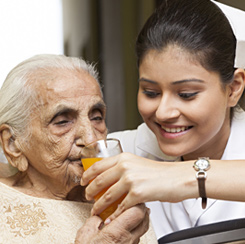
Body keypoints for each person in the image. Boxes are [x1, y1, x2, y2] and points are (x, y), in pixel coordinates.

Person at [80, 0, 245, 241]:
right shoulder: (121, 151)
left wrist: (179, 177)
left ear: (233, 88)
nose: (163, 112)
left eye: (186, 94)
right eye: (150, 92)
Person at [0, 54, 157, 243]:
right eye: (62, 121)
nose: (91, 138)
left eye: (97, 117)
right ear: (13, 143)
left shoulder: (121, 198)